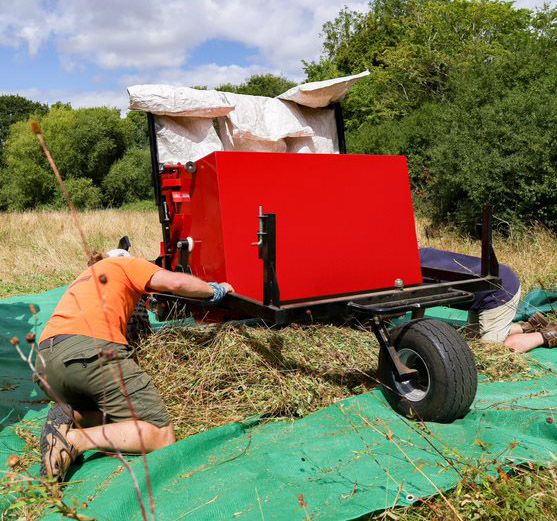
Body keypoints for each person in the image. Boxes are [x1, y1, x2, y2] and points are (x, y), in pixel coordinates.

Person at [35, 249, 234, 482]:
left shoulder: (84, 277)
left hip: (46, 366)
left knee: (118, 417)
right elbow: (176, 281)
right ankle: (75, 440)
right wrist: (215, 290)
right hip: (90, 352)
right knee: (160, 434)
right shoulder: (125, 265)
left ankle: (74, 418)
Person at [419, 247, 556, 353]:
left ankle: (547, 335)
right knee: (472, 340)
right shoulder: (420, 254)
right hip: (481, 292)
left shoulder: (406, 270)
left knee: (488, 351)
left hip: (499, 291)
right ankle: (527, 326)